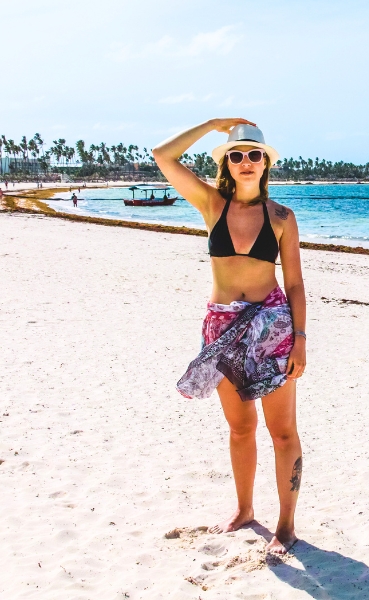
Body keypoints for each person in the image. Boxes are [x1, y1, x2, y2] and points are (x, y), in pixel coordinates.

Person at [153, 118, 306, 555]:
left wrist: (300, 339)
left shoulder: (281, 217)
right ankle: (243, 511)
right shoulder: (211, 205)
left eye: (254, 155)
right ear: (227, 163)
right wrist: (210, 125)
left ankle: (286, 524)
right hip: (222, 327)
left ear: (265, 163)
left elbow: (294, 284)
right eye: (236, 155)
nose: (245, 162)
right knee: (241, 429)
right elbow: (163, 155)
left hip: (273, 329)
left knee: (282, 432)